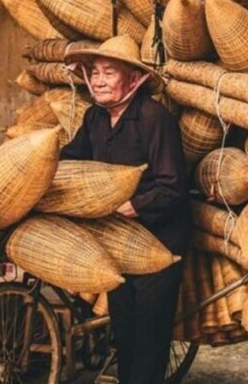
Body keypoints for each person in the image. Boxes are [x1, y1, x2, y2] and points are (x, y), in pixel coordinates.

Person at [60, 35, 190, 384]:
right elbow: (71, 159)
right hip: (117, 241)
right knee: (125, 329)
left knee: (149, 334)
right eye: (95, 73)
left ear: (133, 79)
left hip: (158, 242)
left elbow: (172, 185)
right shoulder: (94, 119)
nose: (100, 80)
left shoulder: (153, 118)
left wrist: (131, 206)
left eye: (109, 73)